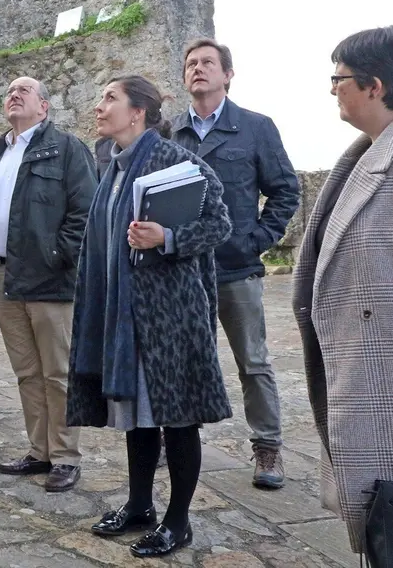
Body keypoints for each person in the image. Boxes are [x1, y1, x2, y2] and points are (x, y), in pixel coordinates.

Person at [67, 75, 232, 558]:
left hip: (169, 316)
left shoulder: (175, 160)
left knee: (177, 418)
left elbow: (219, 223)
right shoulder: (114, 167)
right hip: (125, 311)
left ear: (137, 112)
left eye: (109, 98)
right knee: (137, 415)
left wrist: (168, 237)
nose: (100, 106)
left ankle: (178, 522)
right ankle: (140, 504)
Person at [293, 24, 393, 555]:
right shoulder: (363, 156)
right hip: (370, 389)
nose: (332, 89)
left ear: (375, 85)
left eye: (337, 78)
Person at [171, 38, 300, 489]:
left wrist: (258, 240)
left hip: (235, 268)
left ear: (228, 75)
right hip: (184, 269)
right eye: (191, 64)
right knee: (186, 360)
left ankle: (268, 448)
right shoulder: (172, 133)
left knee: (254, 362)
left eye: (208, 63)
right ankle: (183, 446)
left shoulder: (254, 127)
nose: (198, 69)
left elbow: (286, 190)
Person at [0, 77, 96, 492]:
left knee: (58, 373)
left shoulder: (66, 148)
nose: (13, 94)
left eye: (24, 90)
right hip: (6, 275)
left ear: (44, 106)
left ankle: (64, 456)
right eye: (9, 91)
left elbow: (85, 212)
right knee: (27, 372)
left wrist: (58, 255)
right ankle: (39, 451)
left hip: (51, 277)